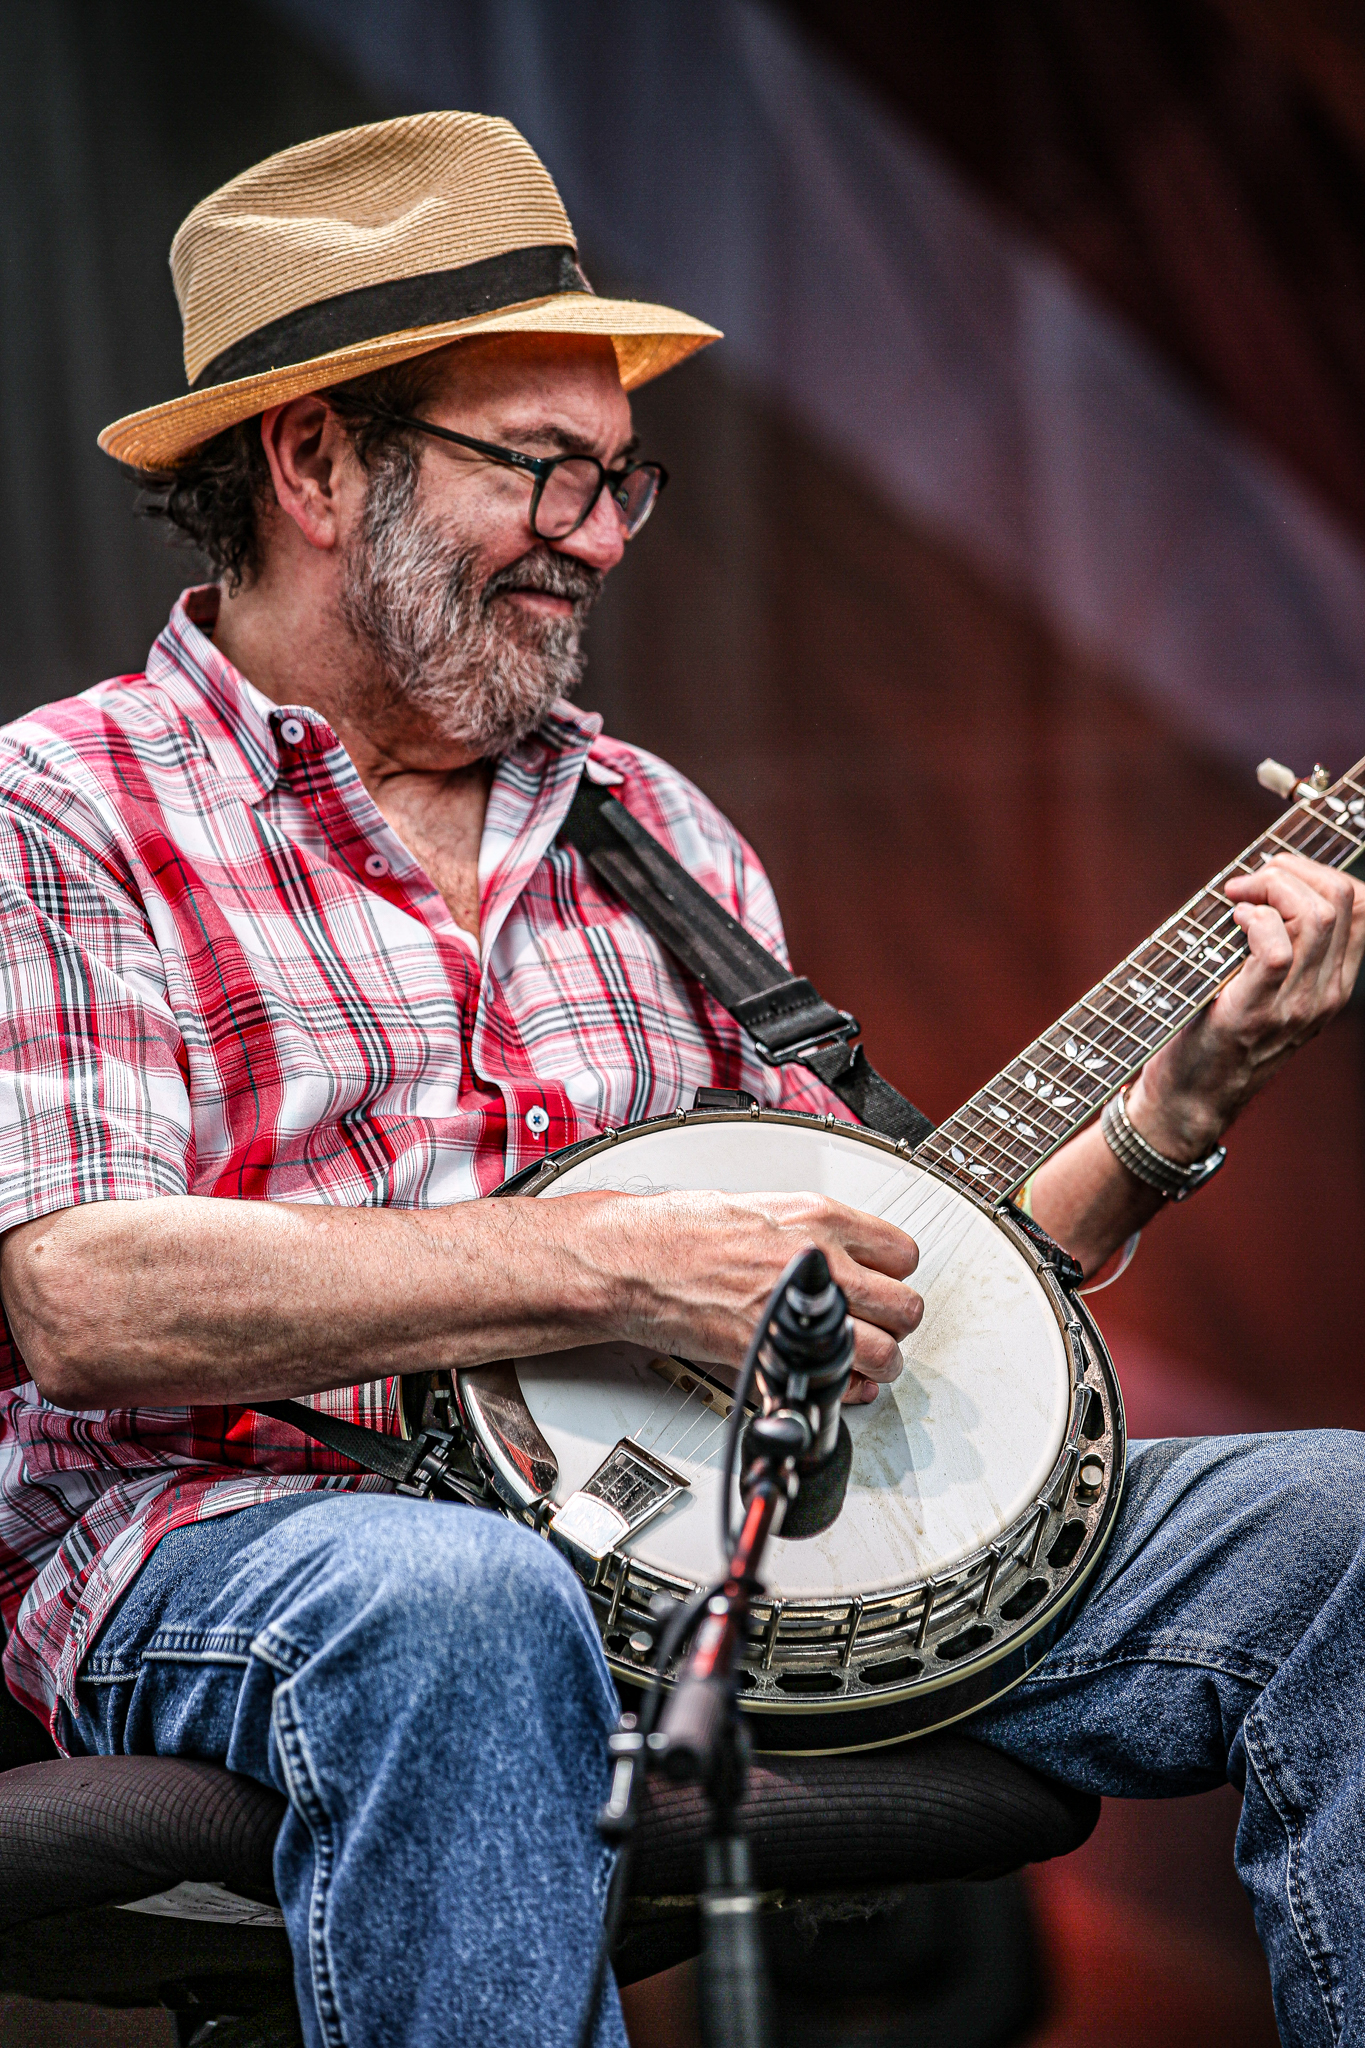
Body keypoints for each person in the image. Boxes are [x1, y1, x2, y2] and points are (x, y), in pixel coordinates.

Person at [0, 110, 1360, 2048]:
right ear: (314, 458)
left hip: (713, 1544)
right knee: (465, 1602)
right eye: (541, 471)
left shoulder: (654, 827)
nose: (600, 535)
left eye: (623, 480)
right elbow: (82, 1298)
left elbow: (867, 1286)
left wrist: (1168, 1118)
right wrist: (621, 1274)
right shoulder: (62, 805)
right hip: (235, 1538)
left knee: (1334, 1534)